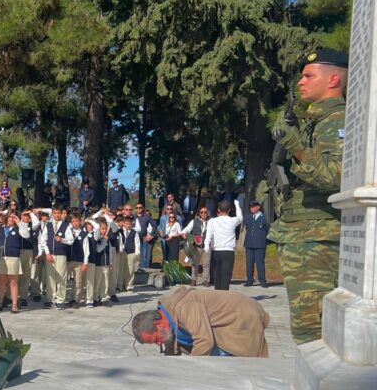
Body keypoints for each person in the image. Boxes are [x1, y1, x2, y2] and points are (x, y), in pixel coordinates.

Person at [269, 49, 345, 344]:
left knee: (312, 330)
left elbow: (336, 176)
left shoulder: (338, 120)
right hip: (302, 235)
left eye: (309, 75)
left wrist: (297, 148)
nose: (301, 81)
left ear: (333, 80)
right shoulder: (315, 121)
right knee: (305, 327)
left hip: (317, 238)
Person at [130, 287, 270, 357]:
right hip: (228, 320)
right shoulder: (166, 319)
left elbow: (204, 342)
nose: (158, 344)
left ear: (158, 324)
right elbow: (171, 344)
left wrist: (192, 371)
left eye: (156, 340)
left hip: (242, 316)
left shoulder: (184, 308)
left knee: (241, 369)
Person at [203, 199, 242, 291]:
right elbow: (240, 218)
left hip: (216, 251)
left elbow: (209, 235)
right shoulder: (232, 220)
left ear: (218, 210)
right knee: (226, 276)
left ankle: (218, 295)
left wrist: (206, 245)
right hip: (228, 251)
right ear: (229, 210)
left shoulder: (212, 221)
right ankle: (224, 295)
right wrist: (237, 205)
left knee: (217, 276)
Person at [180, 206, 211, 287]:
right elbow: (186, 230)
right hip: (196, 246)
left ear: (207, 213)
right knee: (195, 264)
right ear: (199, 214)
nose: (203, 214)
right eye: (201, 212)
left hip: (207, 246)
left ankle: (205, 280)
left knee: (206, 264)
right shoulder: (194, 221)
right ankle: (193, 280)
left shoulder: (211, 222)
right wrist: (184, 234)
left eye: (205, 212)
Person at [243, 200, 270, 287]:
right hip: (249, 243)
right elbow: (247, 228)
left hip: (259, 244)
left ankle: (262, 280)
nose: (251, 208)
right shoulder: (248, 217)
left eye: (253, 207)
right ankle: (249, 280)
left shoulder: (264, 218)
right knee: (249, 263)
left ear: (258, 207)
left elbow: (267, 230)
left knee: (260, 263)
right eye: (250, 207)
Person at [116, 215, 140, 293]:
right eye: (126, 224)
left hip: (131, 252)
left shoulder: (134, 232)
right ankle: (119, 285)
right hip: (122, 252)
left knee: (130, 270)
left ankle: (129, 285)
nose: (128, 225)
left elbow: (137, 243)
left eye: (129, 224)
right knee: (120, 269)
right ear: (123, 223)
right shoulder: (119, 231)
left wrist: (137, 253)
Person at [135, 203, 156, 270]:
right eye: (137, 208)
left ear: (143, 208)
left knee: (144, 255)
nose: (138, 209)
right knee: (135, 255)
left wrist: (151, 235)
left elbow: (154, 225)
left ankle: (143, 270)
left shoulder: (147, 216)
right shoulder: (133, 216)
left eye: (140, 207)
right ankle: (135, 269)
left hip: (144, 238)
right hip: (135, 239)